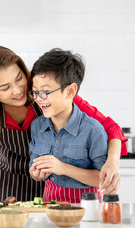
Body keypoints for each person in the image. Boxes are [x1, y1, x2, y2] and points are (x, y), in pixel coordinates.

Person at [0, 46, 126, 204]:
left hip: (48, 182)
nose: (18, 91)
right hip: (5, 180)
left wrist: (111, 163)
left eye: (19, 79)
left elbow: (111, 128)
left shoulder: (48, 95)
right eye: (5, 88)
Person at [28, 48, 107, 203]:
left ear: (70, 91)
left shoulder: (93, 130)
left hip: (85, 207)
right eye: (35, 92)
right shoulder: (37, 126)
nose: (39, 99)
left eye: (45, 92)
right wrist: (36, 173)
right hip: (49, 205)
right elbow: (34, 165)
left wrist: (62, 168)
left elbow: (101, 178)